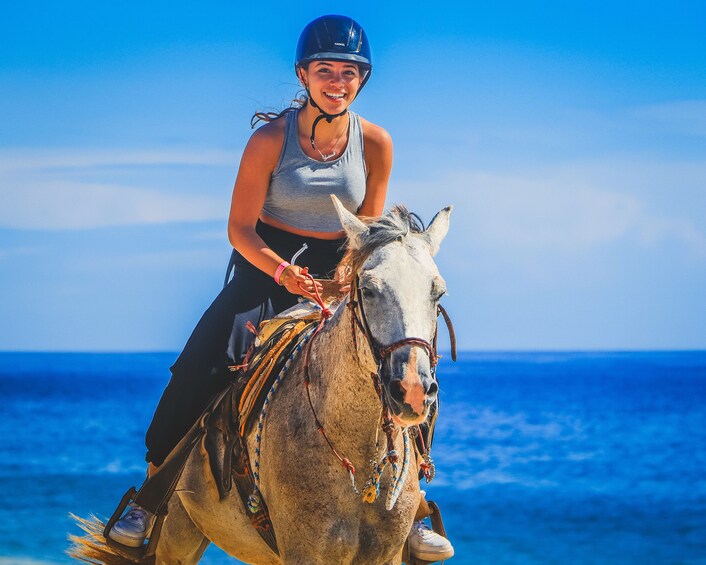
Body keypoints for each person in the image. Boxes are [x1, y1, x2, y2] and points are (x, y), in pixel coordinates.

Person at [108, 14, 453, 562]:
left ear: (361, 78)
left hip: (339, 275)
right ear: (303, 74)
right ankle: (148, 502)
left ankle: (413, 507)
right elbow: (239, 229)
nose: (336, 81)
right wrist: (283, 273)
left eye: (348, 71)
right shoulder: (270, 140)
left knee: (403, 362)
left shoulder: (378, 143)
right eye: (325, 70)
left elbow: (362, 230)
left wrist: (342, 281)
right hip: (263, 271)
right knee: (195, 372)